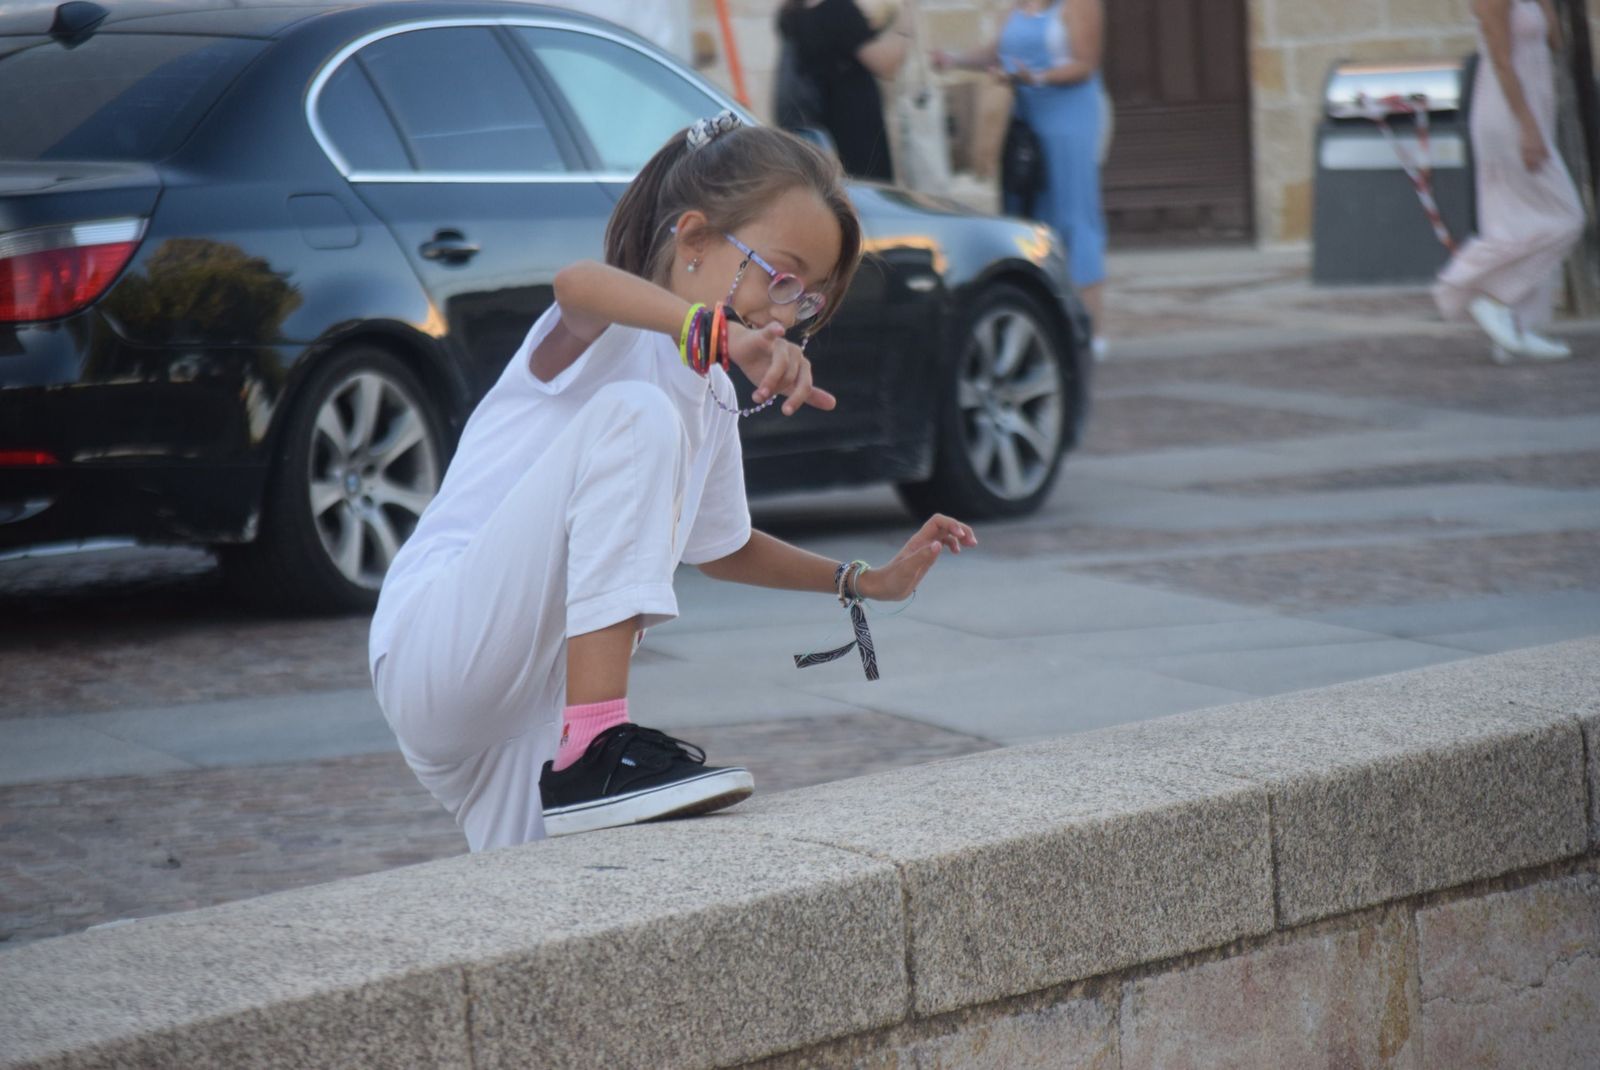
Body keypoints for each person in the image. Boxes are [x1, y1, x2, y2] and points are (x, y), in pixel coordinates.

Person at [368, 113, 978, 852]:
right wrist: (713, 331)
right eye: (780, 277)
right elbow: (578, 285)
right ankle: (597, 748)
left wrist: (863, 581)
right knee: (636, 414)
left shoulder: (709, 397)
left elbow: (720, 546)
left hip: (528, 704)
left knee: (561, 910)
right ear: (692, 240)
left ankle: (585, 751)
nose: (786, 312)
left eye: (808, 298)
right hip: (441, 641)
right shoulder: (613, 330)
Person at [933, 0, 1109, 361]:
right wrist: (955, 60)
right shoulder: (1017, 5)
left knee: (1073, 213)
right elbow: (996, 51)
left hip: (1068, 118)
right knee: (1029, 217)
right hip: (1024, 118)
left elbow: (1086, 63)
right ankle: (1044, 322)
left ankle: (1091, 328)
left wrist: (1036, 76)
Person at [1434, 0, 1586, 363]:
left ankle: (1519, 328)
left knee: (1513, 216)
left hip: (1536, 108)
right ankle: (1489, 296)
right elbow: (1502, 62)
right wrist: (1527, 126)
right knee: (1566, 216)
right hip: (1509, 115)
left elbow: (1555, 41)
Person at [775, 0, 909, 181]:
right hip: (856, 131)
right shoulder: (838, 8)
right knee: (871, 192)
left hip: (826, 131)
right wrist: (905, 24)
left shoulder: (793, 13)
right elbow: (887, 66)